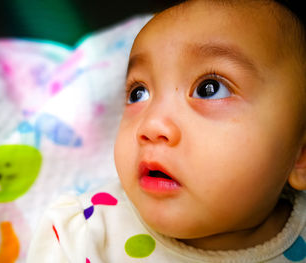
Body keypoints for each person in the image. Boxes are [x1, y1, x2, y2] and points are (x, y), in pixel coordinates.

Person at [27, 0, 306, 262]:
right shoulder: (83, 236)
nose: (151, 125)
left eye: (209, 89)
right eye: (138, 93)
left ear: (300, 156)